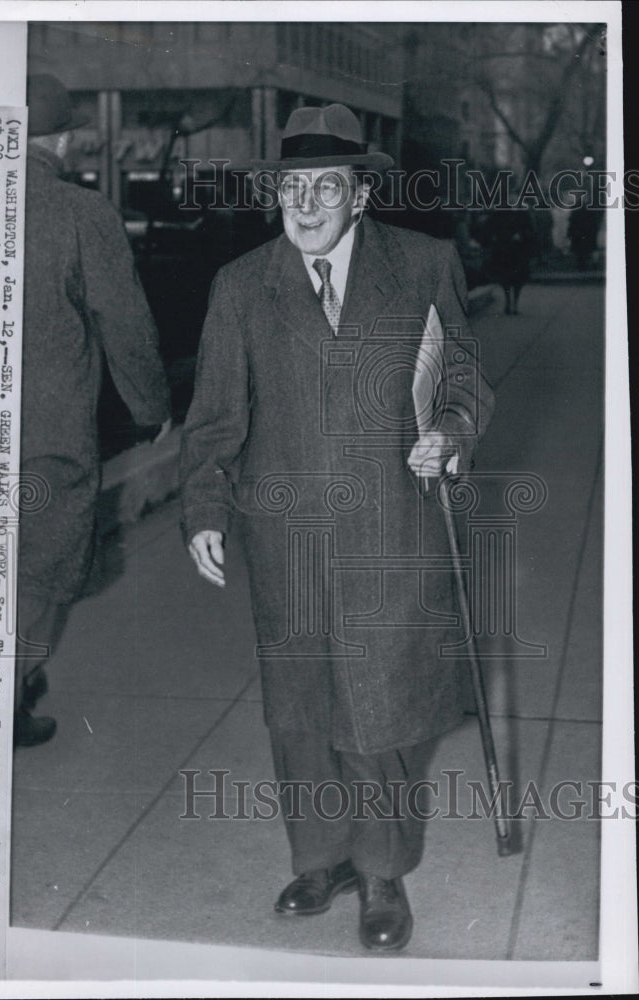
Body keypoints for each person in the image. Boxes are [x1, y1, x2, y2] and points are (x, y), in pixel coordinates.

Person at [180, 104, 494, 951]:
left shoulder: (423, 265)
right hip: (283, 539)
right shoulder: (243, 284)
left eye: (327, 185)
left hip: (392, 526)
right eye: (292, 185)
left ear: (360, 195)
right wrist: (204, 509)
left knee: (378, 708)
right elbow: (214, 419)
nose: (307, 202)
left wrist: (450, 433)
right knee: (298, 710)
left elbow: (463, 379)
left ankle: (383, 871)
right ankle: (321, 856)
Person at [16, 75, 171, 747]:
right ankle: (8, 693)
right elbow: (123, 322)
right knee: (44, 574)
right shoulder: (81, 214)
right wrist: (152, 406)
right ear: (64, 137)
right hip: (46, 438)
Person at [480, 206, 537, 315]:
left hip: (518, 251)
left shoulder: (522, 213)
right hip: (504, 251)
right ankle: (508, 302)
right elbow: (489, 229)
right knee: (506, 278)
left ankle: (514, 303)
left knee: (517, 279)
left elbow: (530, 231)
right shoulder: (500, 213)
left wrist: (522, 235)